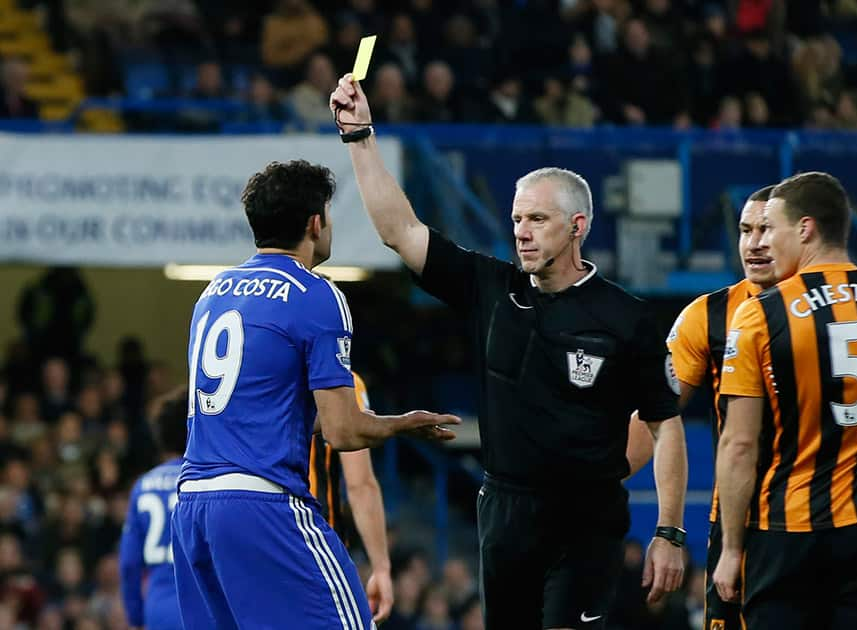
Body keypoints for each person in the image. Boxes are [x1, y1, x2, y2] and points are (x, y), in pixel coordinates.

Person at [330, 74, 687, 630]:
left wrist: (668, 531)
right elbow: (399, 230)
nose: (521, 231)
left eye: (537, 220)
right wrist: (359, 137)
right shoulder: (489, 288)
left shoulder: (629, 318)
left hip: (586, 523)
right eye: (517, 218)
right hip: (503, 513)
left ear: (578, 227)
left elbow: (666, 427)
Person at [171, 159, 459, 630]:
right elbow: (344, 432)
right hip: (261, 502)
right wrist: (402, 424)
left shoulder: (212, 293)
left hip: (193, 507)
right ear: (314, 223)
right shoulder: (315, 294)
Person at [714, 173, 857, 630]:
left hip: (788, 535)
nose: (762, 240)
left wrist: (731, 549)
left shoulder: (761, 312)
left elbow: (739, 445)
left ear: (804, 229)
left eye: (770, 227)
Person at [666, 185, 779, 630]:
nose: (753, 243)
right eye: (745, 230)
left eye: (766, 230)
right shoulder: (706, 316)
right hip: (736, 522)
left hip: (817, 523)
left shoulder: (829, 312)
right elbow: (655, 412)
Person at [308, 371, 393, 624]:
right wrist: (381, 568)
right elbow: (360, 484)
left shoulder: (255, 376)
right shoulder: (339, 381)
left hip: (257, 536)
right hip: (317, 549)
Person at [120, 389, 187, 630]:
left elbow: (129, 564)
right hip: (201, 606)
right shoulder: (203, 482)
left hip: (158, 608)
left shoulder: (143, 485)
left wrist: (136, 617)